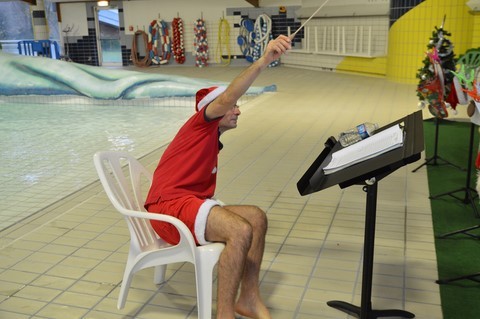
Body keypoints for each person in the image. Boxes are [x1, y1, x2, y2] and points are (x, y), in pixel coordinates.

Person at [144, 34, 291, 319]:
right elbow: (228, 96)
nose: (238, 110)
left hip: (184, 205)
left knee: (256, 218)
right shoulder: (202, 123)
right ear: (216, 110)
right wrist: (264, 60)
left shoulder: (211, 138)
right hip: (169, 210)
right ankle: (224, 315)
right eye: (233, 107)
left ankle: (248, 297)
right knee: (240, 230)